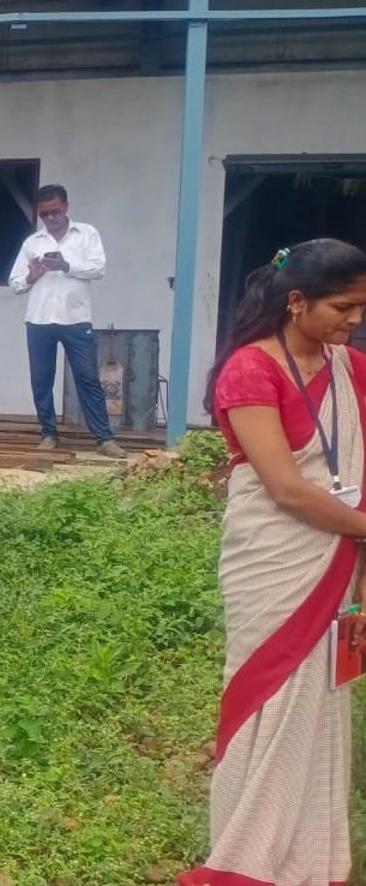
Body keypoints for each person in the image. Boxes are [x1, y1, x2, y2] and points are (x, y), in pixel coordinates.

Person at [182, 239, 366, 886]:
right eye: (343, 307)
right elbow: (285, 488)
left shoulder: (353, 369)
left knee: (319, 700)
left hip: (340, 555)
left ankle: (308, 860)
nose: (353, 321)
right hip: (273, 556)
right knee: (267, 694)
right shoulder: (250, 371)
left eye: (360, 309)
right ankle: (243, 858)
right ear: (297, 301)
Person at [7, 185, 126, 458]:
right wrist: (32, 276)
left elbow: (99, 269)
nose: (51, 218)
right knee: (41, 380)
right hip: (38, 320)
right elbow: (15, 284)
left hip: (76, 319)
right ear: (39, 214)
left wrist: (66, 266)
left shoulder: (87, 233)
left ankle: (104, 439)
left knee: (87, 378)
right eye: (45, 214)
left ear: (67, 207)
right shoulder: (32, 242)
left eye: (56, 211)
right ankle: (48, 434)